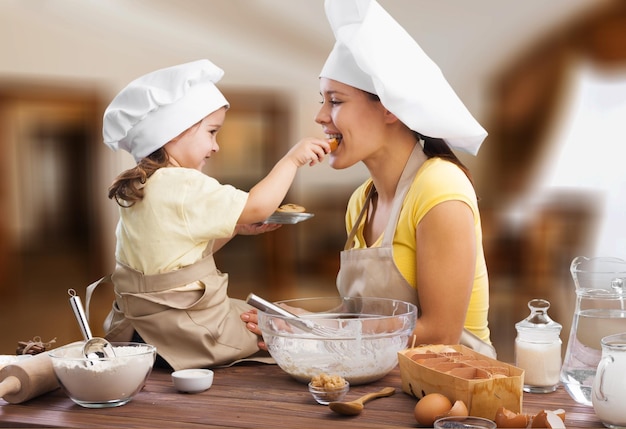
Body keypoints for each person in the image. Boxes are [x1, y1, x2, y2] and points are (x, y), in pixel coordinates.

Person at [242, 0, 495, 357]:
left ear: (390, 106)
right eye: (323, 100)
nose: (320, 116)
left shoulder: (440, 188)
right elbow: (363, 319)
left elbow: (440, 334)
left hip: (454, 385)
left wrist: (321, 332)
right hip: (383, 376)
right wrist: (304, 321)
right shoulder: (362, 201)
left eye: (336, 101)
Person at [86, 59, 330, 370]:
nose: (215, 146)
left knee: (269, 316)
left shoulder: (143, 186)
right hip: (188, 331)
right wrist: (292, 160)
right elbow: (258, 206)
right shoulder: (184, 183)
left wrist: (236, 229)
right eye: (212, 132)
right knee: (285, 325)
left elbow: (178, 259)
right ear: (174, 132)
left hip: (141, 329)